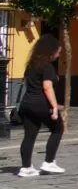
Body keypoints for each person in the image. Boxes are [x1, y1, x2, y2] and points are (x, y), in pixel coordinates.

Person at [16, 35, 65, 178]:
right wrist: (55, 107)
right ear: (51, 51)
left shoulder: (31, 64)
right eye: (58, 51)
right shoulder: (47, 66)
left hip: (27, 103)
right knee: (58, 128)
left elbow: (27, 83)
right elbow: (47, 87)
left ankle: (26, 168)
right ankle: (49, 162)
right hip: (41, 103)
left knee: (29, 136)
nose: (59, 54)